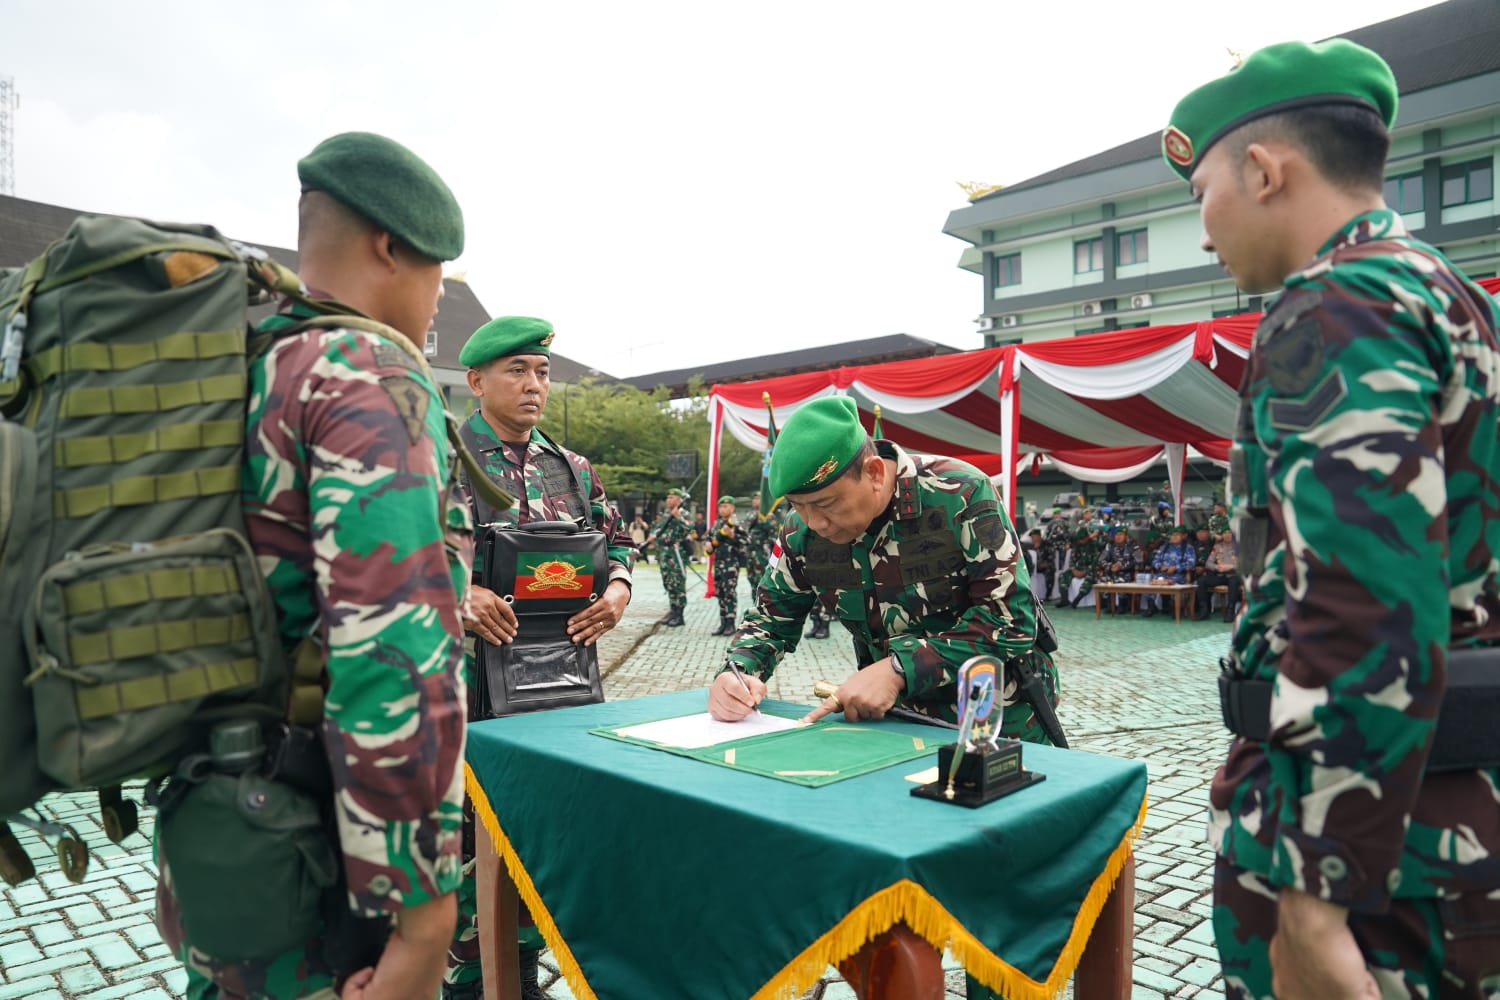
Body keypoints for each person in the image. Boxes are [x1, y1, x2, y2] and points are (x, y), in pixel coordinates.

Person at [1168, 38, 1500, 995]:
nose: (1204, 233)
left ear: (1266, 170)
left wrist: (1313, 900)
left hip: (1377, 867)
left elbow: (1365, 603)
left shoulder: (1337, 304)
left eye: (1202, 198)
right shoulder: (1448, 294)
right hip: (1442, 819)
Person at [153, 132, 480, 1000]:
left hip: (213, 834)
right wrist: (422, 918)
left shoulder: (235, 369)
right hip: (319, 862)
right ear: (390, 247)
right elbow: (393, 658)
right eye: (437, 276)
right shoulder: (362, 372)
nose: (437, 299)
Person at [446, 316, 634, 1000]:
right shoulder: (440, 457)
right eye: (517, 371)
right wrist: (458, 591)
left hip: (558, 691)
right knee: (468, 857)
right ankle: (472, 984)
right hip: (466, 698)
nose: (535, 385)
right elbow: (395, 557)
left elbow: (618, 548)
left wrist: (615, 591)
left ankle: (521, 976)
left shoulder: (572, 469)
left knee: (543, 841)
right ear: (476, 381)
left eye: (543, 372)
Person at [706, 395, 1061, 744]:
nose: (815, 523)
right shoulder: (801, 534)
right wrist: (738, 672)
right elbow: (770, 620)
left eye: (825, 504)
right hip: (891, 724)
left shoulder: (960, 493)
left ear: (874, 473)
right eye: (799, 506)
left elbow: (1010, 620)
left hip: (995, 721)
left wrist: (898, 669)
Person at [647, 489, 692, 626]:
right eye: (667, 497)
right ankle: (673, 611)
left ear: (679, 500)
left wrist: (678, 517)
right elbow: (657, 529)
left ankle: (680, 615)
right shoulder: (665, 514)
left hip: (675, 552)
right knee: (669, 583)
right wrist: (652, 537)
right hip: (663, 554)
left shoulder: (683, 514)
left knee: (677, 583)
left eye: (672, 497)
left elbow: (689, 528)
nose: (668, 500)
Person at [706, 495, 744, 635]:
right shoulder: (716, 524)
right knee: (720, 593)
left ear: (732, 508)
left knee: (729, 593)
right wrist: (708, 545)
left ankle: (730, 623)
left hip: (731, 564)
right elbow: (709, 539)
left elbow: (746, 542)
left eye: (725, 506)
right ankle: (722, 622)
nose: (722, 509)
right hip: (719, 564)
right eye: (720, 506)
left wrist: (733, 537)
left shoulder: (736, 524)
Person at [1143, 526, 1195, 618]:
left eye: (1177, 535)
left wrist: (1176, 568)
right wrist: (1160, 566)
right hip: (1162, 574)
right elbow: (1155, 561)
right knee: (1151, 582)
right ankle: (1151, 607)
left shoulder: (1188, 548)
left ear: (1182, 536)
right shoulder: (1164, 547)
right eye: (1172, 535)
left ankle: (1175, 608)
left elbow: (1191, 563)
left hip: (1179, 575)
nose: (1174, 537)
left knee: (1173, 582)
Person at [1193, 529, 1239, 622]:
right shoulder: (1217, 547)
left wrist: (1231, 567)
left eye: (1229, 533)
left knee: (1233, 582)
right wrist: (1216, 567)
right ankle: (1204, 609)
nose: (1227, 535)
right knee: (1201, 581)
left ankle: (1230, 611)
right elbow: (1208, 563)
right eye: (1225, 533)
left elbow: (1246, 564)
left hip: (1234, 575)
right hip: (1220, 574)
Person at [1096, 526, 1141, 614]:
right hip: (1112, 572)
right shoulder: (1110, 545)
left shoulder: (1133, 546)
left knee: (1120, 580)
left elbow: (1139, 561)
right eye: (1116, 534)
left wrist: (1121, 566)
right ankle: (1109, 605)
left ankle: (1123, 605)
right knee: (1102, 580)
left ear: (1126, 536)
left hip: (1127, 573)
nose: (1118, 537)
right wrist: (1110, 566)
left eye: (1121, 534)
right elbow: (1101, 560)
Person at [742, 494, 778, 596]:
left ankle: (763, 605)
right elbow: (744, 529)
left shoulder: (769, 515)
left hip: (762, 552)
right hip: (750, 552)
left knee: (763, 579)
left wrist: (762, 518)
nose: (755, 501)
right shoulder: (750, 514)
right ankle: (755, 604)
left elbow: (772, 531)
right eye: (754, 499)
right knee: (751, 578)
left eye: (758, 498)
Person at [1059, 525, 1101, 609]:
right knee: (1063, 576)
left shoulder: (1094, 545)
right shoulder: (1077, 545)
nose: (1081, 541)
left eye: (1082, 539)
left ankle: (1077, 600)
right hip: (1077, 569)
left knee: (1090, 577)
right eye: (1079, 539)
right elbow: (1072, 559)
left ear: (1087, 537)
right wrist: (1073, 569)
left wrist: (1085, 571)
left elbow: (1095, 561)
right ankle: (1064, 599)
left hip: (1089, 570)